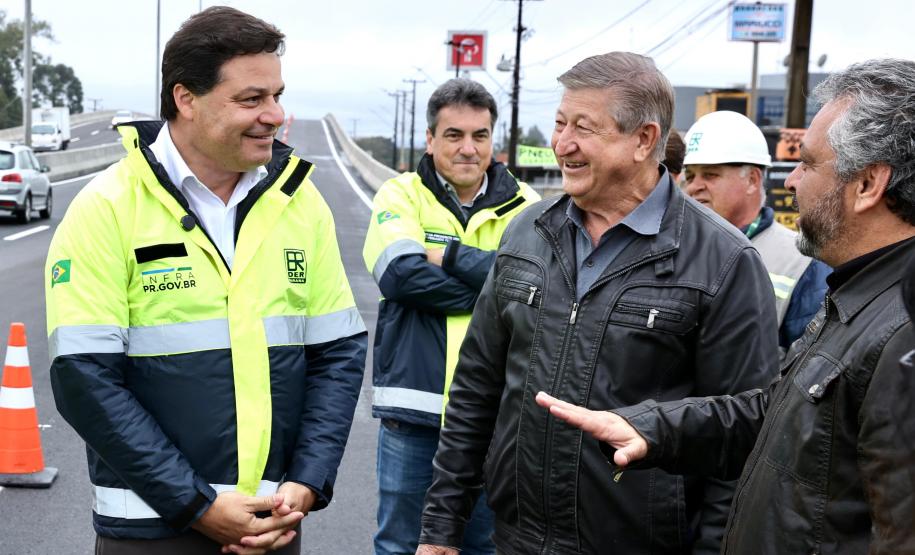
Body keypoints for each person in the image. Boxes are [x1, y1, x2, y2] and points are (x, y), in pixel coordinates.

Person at [536, 58, 915, 554]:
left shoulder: (901, 331)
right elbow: (775, 414)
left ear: (868, 184)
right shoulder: (862, 296)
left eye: (808, 163)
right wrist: (648, 428)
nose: (792, 181)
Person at [417, 52, 778, 555]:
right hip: (518, 540)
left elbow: (742, 433)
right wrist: (441, 526)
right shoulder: (527, 233)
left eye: (583, 128)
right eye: (560, 123)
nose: (562, 144)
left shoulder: (723, 260)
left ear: (644, 140)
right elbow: (477, 387)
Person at [45, 7, 366, 554]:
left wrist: (308, 480)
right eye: (251, 99)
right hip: (152, 532)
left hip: (272, 525)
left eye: (277, 95)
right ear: (186, 99)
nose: (274, 115)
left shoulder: (301, 202)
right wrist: (196, 505)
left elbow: (336, 353)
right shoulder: (106, 207)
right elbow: (84, 378)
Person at [363, 78, 539, 555]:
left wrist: (450, 256)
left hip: (494, 416)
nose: (468, 148)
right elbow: (401, 277)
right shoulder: (400, 195)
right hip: (414, 410)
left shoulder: (527, 206)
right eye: (454, 135)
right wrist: (498, 285)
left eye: (480, 136)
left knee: (483, 546)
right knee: (403, 544)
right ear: (430, 139)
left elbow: (541, 290)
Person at [682, 111, 830, 354]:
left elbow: (809, 363)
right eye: (690, 176)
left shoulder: (800, 262)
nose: (694, 186)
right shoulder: (672, 249)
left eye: (710, 174)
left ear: (752, 180)